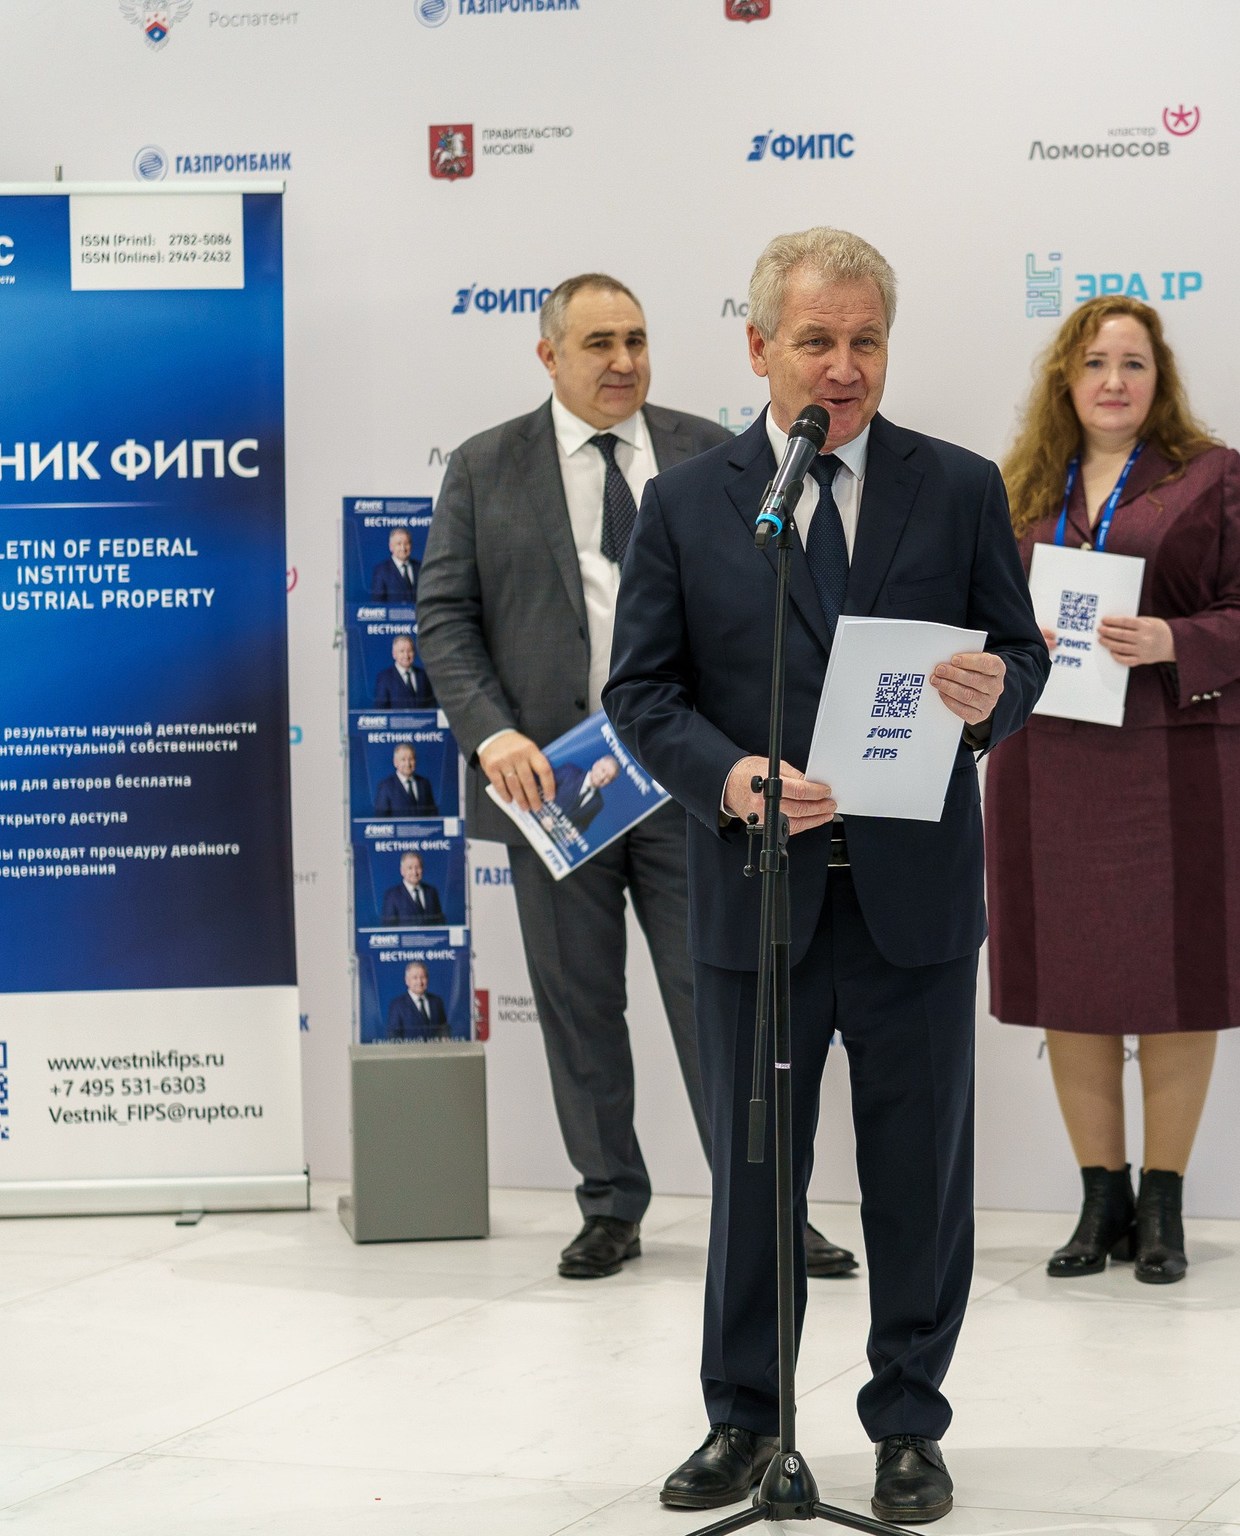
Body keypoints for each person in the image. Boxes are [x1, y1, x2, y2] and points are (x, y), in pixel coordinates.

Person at [605, 227, 1049, 1524]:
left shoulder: (956, 486)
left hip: (915, 901)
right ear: (759, 348)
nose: (843, 367)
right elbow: (641, 694)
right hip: (760, 900)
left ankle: (909, 1425)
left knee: (919, 1183)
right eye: (816, 341)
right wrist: (733, 778)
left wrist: (994, 696)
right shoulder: (691, 503)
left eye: (866, 341)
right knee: (754, 1180)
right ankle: (745, 1420)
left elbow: (1020, 657)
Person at [418, 274, 858, 1283]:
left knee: (723, 1005)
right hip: (554, 787)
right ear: (548, 356)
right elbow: (443, 618)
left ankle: (769, 1213)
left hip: (691, 778)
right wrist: (492, 736)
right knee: (578, 1006)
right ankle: (610, 1203)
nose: (623, 361)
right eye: (599, 343)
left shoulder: (715, 451)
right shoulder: (484, 466)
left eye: (637, 339)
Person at [984, 294, 1240, 1286]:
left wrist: (1173, 638)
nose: (1113, 380)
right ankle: (1099, 1198)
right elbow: (974, 609)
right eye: (1094, 363)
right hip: (1048, 758)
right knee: (1069, 979)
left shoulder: (1210, 475)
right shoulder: (1018, 485)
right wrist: (1008, 641)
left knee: (1177, 980)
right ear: (1063, 381)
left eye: (1133, 364)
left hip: (1179, 758)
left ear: (1160, 382)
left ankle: (1163, 1203)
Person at [539, 753, 620, 842]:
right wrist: (543, 814)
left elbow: (584, 824)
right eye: (603, 770)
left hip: (551, 840)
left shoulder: (598, 803)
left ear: (609, 783)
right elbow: (541, 786)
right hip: (533, 820)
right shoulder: (569, 771)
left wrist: (576, 831)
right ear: (596, 765)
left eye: (608, 777)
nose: (602, 777)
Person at [385, 960, 450, 1040]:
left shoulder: (437, 1001)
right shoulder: (397, 1005)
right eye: (415, 978)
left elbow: (444, 1029)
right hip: (410, 1048)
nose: (419, 982)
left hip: (436, 1048)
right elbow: (393, 1035)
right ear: (407, 981)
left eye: (423, 977)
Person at [372, 742, 439, 817]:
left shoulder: (424, 783)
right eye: (403, 759)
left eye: (411, 759)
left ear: (415, 760)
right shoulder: (385, 787)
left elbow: (433, 814)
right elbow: (381, 818)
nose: (408, 764)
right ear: (395, 762)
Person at [372, 634, 436, 709]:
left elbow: (431, 705)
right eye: (402, 651)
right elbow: (381, 709)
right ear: (394, 654)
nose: (406, 655)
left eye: (409, 651)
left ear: (414, 653)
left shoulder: (424, 675)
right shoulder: (384, 678)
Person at [381, 850, 444, 926]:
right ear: (402, 871)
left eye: (417, 867)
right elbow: (388, 926)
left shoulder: (431, 892)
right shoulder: (392, 895)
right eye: (410, 868)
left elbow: (440, 922)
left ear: (422, 869)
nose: (414, 872)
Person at [369, 526, 420, 602]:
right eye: (398, 544)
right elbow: (377, 603)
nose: (403, 548)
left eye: (406, 543)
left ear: (411, 545)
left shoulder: (420, 567)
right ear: (391, 547)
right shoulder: (381, 571)